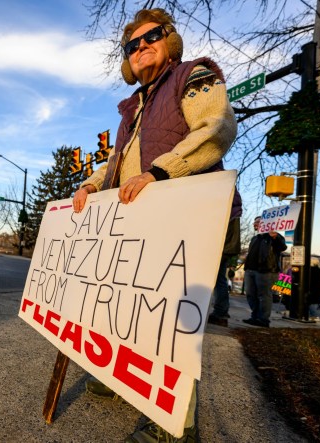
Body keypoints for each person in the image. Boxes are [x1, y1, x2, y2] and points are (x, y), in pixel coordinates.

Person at [72, 8, 241, 443]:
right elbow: (117, 163)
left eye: (152, 37)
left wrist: (160, 172)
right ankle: (120, 377)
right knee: (125, 305)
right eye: (132, 44)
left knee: (172, 321)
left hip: (191, 219)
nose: (141, 46)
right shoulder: (133, 108)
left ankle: (173, 424)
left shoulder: (193, 75)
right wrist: (90, 187)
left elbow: (216, 127)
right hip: (142, 221)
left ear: (170, 42)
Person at [243, 216, 287, 327]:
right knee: (250, 294)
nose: (255, 224)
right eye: (255, 222)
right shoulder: (255, 238)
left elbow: (282, 247)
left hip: (266, 271)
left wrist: (275, 237)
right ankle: (255, 316)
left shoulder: (274, 236)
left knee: (264, 296)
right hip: (250, 271)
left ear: (266, 224)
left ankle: (263, 320)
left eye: (258, 222)